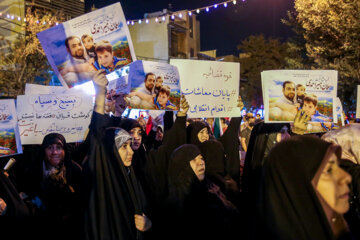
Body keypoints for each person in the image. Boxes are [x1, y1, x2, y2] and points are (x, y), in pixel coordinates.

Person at [82, 70, 152, 240]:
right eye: (124, 147)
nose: (130, 152)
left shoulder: (131, 176)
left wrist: (148, 224)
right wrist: (100, 93)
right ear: (112, 151)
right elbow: (98, 134)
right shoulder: (102, 177)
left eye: (130, 145)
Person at [254, 135, 353, 240]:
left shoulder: (341, 227)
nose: (347, 177)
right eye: (328, 170)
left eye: (338, 166)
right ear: (296, 187)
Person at [165, 144, 241, 240]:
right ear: (182, 166)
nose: (201, 163)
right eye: (193, 160)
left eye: (201, 158)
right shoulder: (176, 203)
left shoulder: (211, 187)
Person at [22, 133, 83, 238]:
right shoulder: (32, 171)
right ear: (43, 150)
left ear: (64, 150)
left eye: (59, 148)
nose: (55, 152)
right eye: (49, 148)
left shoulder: (75, 170)